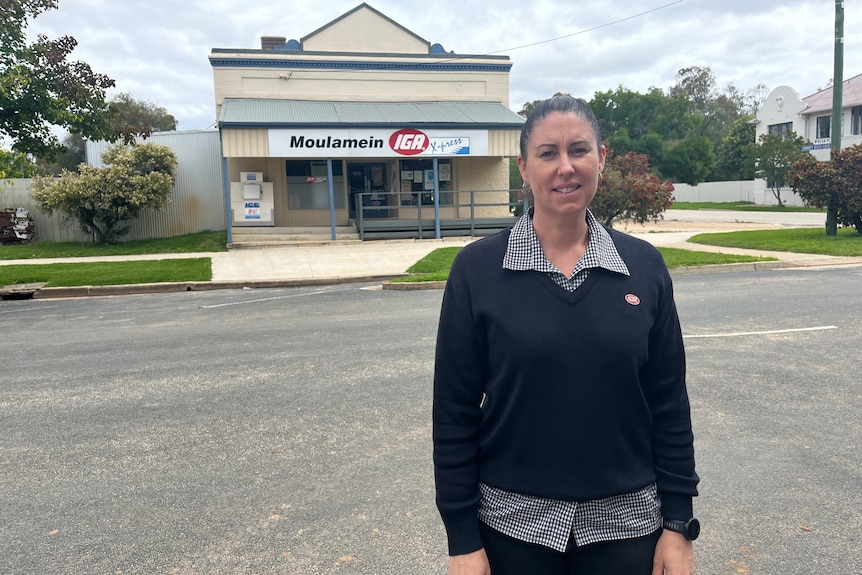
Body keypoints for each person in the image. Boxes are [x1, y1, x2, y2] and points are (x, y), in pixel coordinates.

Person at [432, 95, 699, 575]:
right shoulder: (476, 272)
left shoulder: (644, 268)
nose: (566, 167)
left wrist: (677, 525)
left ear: (602, 157)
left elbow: (669, 404)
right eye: (548, 153)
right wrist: (461, 541)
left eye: (579, 150)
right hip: (512, 526)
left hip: (628, 525)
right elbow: (453, 412)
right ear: (523, 167)